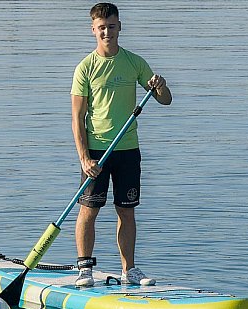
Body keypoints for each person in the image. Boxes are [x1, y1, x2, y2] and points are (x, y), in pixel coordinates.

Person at [71, 3, 172, 287]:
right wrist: (84, 158)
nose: (107, 32)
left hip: (127, 148)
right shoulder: (85, 68)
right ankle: (85, 269)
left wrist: (160, 86)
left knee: (126, 210)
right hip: (96, 150)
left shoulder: (134, 63)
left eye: (111, 26)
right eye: (101, 28)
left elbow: (165, 100)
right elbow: (77, 118)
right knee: (89, 209)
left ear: (119, 27)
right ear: (93, 30)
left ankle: (130, 270)